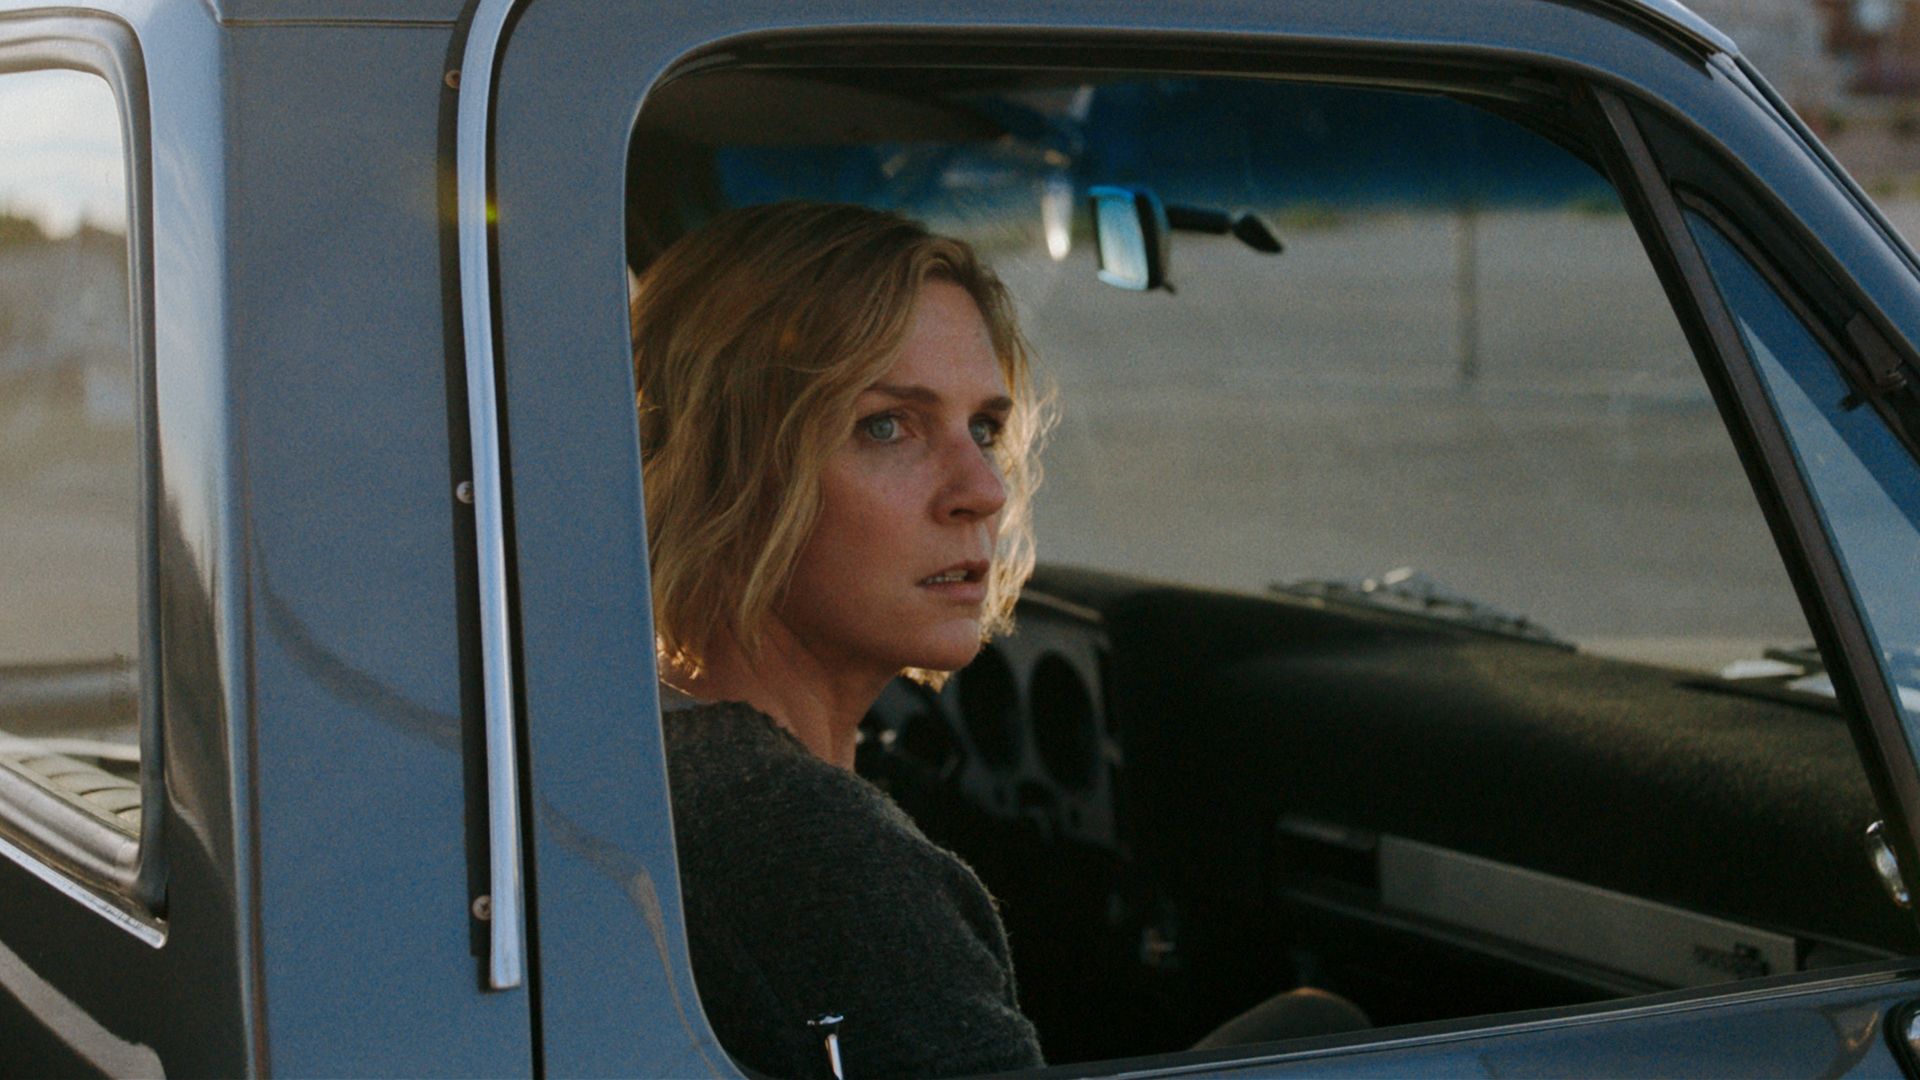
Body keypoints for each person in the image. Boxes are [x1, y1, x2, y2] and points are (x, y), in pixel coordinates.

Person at [632, 201, 1048, 1079]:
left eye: (984, 428)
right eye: (887, 425)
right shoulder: (815, 855)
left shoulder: (653, 759)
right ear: (726, 466)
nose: (982, 490)